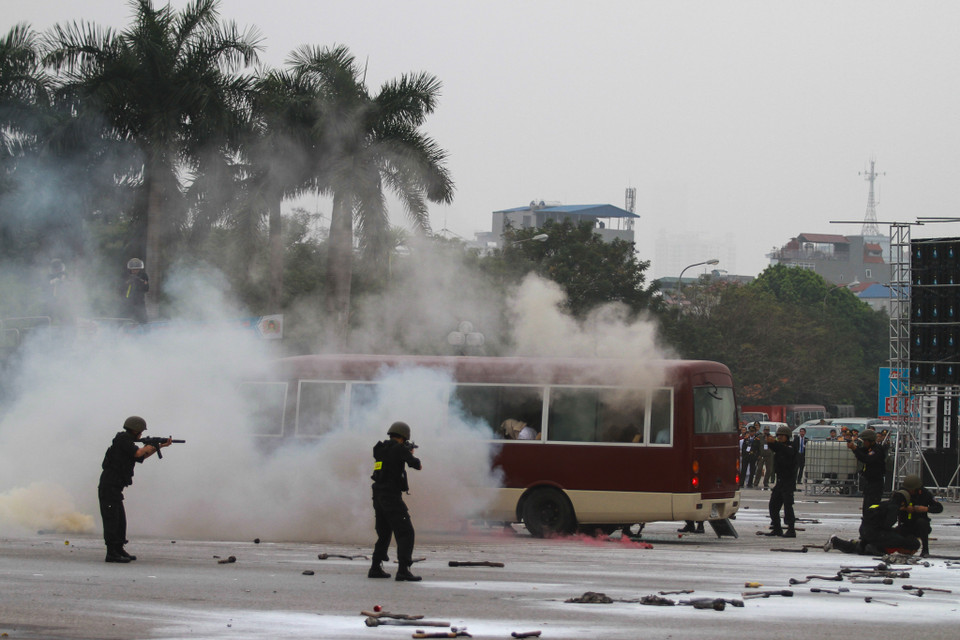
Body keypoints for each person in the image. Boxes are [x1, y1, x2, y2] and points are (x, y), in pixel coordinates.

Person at [98, 416, 171, 563]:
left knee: (120, 521)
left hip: (115, 489)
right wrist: (153, 445)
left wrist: (160, 446)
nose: (141, 435)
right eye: (141, 432)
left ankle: (119, 549)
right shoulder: (123, 439)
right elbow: (138, 453)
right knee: (112, 521)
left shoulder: (127, 443)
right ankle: (111, 553)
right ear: (136, 430)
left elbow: (141, 457)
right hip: (109, 487)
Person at [369, 421, 423, 582]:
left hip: (378, 496)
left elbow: (388, 464)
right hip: (391, 497)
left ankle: (375, 567)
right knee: (406, 532)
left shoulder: (380, 449)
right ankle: (403, 570)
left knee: (384, 533)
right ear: (404, 437)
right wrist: (410, 453)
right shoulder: (400, 449)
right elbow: (417, 465)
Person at [823, 491, 920, 556]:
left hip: (865, 530)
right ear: (902, 503)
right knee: (897, 539)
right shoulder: (894, 508)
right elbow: (886, 526)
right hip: (872, 533)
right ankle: (874, 548)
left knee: (860, 548)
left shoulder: (884, 504)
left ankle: (836, 542)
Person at [761, 425, 797, 537]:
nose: (779, 437)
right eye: (778, 435)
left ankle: (791, 529)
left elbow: (785, 450)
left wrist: (774, 443)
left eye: (782, 435)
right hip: (780, 481)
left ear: (787, 436)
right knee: (773, 506)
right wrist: (770, 441)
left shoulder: (791, 447)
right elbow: (776, 447)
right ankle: (777, 528)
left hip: (788, 482)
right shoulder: (780, 447)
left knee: (788, 506)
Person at [896, 474, 943, 557]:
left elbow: (939, 508)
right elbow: (892, 506)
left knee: (922, 522)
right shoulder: (901, 493)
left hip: (919, 526)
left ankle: (925, 550)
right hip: (905, 525)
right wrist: (905, 508)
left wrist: (926, 509)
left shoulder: (925, 494)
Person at [848, 429, 886, 509]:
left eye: (865, 441)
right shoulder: (869, 449)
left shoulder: (877, 450)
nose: (864, 443)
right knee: (866, 506)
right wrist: (853, 447)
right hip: (869, 482)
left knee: (872, 507)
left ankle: (873, 519)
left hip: (876, 483)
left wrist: (855, 449)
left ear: (870, 441)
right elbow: (861, 451)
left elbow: (866, 458)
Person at [119, 258, 149, 323]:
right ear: (130, 269)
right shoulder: (125, 275)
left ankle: (145, 331)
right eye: (133, 269)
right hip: (127, 301)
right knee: (122, 318)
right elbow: (121, 288)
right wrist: (129, 281)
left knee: (143, 319)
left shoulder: (143, 275)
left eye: (137, 269)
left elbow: (146, 288)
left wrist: (139, 280)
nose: (135, 271)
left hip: (139, 301)